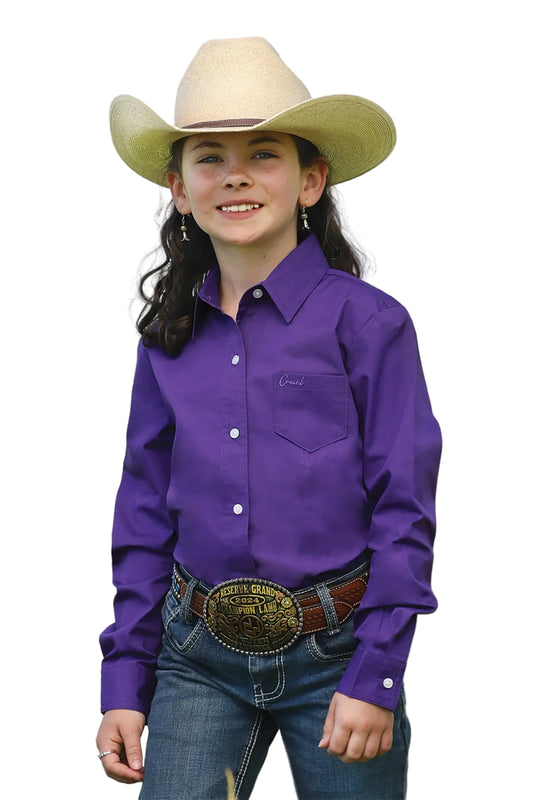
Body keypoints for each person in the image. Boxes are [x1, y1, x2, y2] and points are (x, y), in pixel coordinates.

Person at [96, 37, 442, 800]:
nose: (236, 175)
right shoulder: (168, 339)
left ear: (311, 180)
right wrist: (125, 675)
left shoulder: (369, 325)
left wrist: (376, 670)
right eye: (208, 157)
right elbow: (144, 507)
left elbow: (404, 506)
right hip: (195, 656)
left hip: (338, 657)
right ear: (179, 189)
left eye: (263, 153)